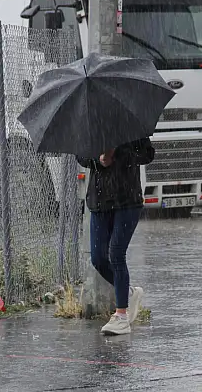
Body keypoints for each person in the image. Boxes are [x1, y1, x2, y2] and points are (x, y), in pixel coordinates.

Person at [76, 138, 155, 335]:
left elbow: (147, 154)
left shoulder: (130, 127)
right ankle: (128, 292)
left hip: (127, 200)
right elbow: (81, 156)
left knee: (117, 254)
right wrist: (99, 158)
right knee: (98, 258)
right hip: (99, 201)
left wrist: (118, 155)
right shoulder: (91, 127)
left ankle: (121, 316)